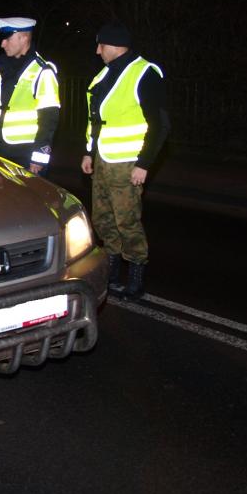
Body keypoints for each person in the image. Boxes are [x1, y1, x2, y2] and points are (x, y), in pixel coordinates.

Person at [81, 21, 170, 301]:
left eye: (101, 45)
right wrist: (88, 152)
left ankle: (135, 280)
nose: (97, 51)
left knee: (127, 222)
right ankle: (112, 274)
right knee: (103, 220)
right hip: (103, 160)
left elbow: (160, 124)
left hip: (128, 164)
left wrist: (144, 164)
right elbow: (95, 121)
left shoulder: (144, 73)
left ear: (115, 46)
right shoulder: (102, 77)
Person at [0, 16, 60, 176]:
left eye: (7, 39)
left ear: (24, 37)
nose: (2, 44)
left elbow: (49, 119)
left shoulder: (43, 71)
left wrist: (38, 159)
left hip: (26, 155)